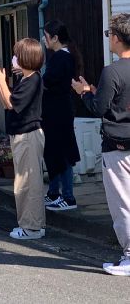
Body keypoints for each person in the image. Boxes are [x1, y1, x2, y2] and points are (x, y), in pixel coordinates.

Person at [72, 14, 130, 276]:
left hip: (118, 147)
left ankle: (129, 255)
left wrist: (84, 92)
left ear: (117, 38)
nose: (109, 39)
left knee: (123, 203)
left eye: (109, 35)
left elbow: (99, 108)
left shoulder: (112, 71)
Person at [0, 38, 46, 240]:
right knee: (23, 182)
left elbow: (11, 104)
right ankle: (31, 225)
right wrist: (0, 82)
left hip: (28, 136)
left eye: (17, 55)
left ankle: (32, 226)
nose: (14, 59)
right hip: (22, 135)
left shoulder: (33, 79)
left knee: (29, 183)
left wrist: (0, 81)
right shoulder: (26, 79)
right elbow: (8, 103)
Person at [42, 20, 81, 211]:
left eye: (46, 36)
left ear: (55, 38)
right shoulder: (65, 56)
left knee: (61, 152)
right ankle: (54, 192)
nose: (44, 39)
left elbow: (48, 81)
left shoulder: (60, 58)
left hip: (58, 111)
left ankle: (67, 195)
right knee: (54, 151)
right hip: (59, 109)